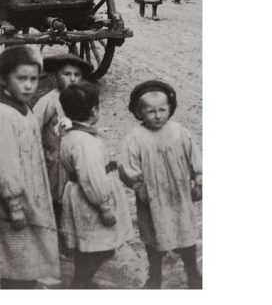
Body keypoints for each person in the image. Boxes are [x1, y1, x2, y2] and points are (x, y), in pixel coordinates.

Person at [0, 46, 59, 289]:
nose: (29, 86)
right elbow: (2, 162)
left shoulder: (24, 111)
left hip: (28, 197)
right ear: (2, 80)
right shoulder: (3, 116)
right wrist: (14, 203)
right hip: (13, 205)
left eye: (33, 79)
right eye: (21, 79)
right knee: (17, 263)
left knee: (24, 262)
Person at [120, 80, 202, 289]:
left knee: (184, 230)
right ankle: (155, 274)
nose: (157, 116)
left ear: (170, 109)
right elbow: (128, 167)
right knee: (153, 235)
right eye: (151, 111)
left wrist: (198, 180)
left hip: (178, 194)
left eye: (162, 110)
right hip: (152, 198)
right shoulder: (135, 138)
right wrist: (138, 187)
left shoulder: (179, 132)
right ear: (139, 112)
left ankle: (192, 271)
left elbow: (194, 157)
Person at [58, 81, 134, 288]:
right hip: (90, 201)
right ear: (93, 110)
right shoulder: (84, 143)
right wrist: (104, 206)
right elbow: (91, 177)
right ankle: (80, 283)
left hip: (81, 195)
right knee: (97, 246)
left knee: (90, 244)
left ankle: (82, 279)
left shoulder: (73, 133)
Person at [32, 52, 94, 216]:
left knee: (72, 198)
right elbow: (31, 129)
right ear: (55, 76)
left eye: (77, 75)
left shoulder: (81, 101)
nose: (72, 79)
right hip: (53, 160)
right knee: (52, 199)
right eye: (67, 74)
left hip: (73, 161)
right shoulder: (49, 101)